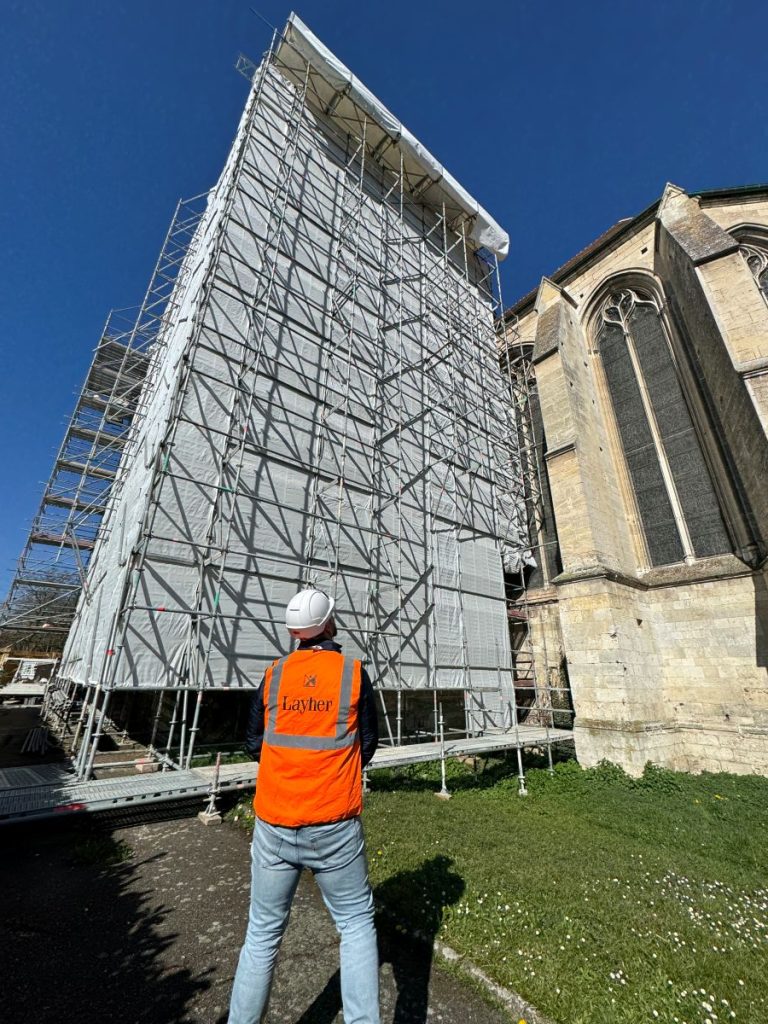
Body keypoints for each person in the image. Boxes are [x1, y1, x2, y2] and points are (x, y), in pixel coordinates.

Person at [228, 588, 380, 1024]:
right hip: (334, 821)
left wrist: (289, 765)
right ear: (330, 624)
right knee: (354, 925)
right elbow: (367, 742)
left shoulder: (274, 674)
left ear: (294, 632)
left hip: (274, 821)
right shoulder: (352, 673)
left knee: (261, 934)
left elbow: (254, 741)